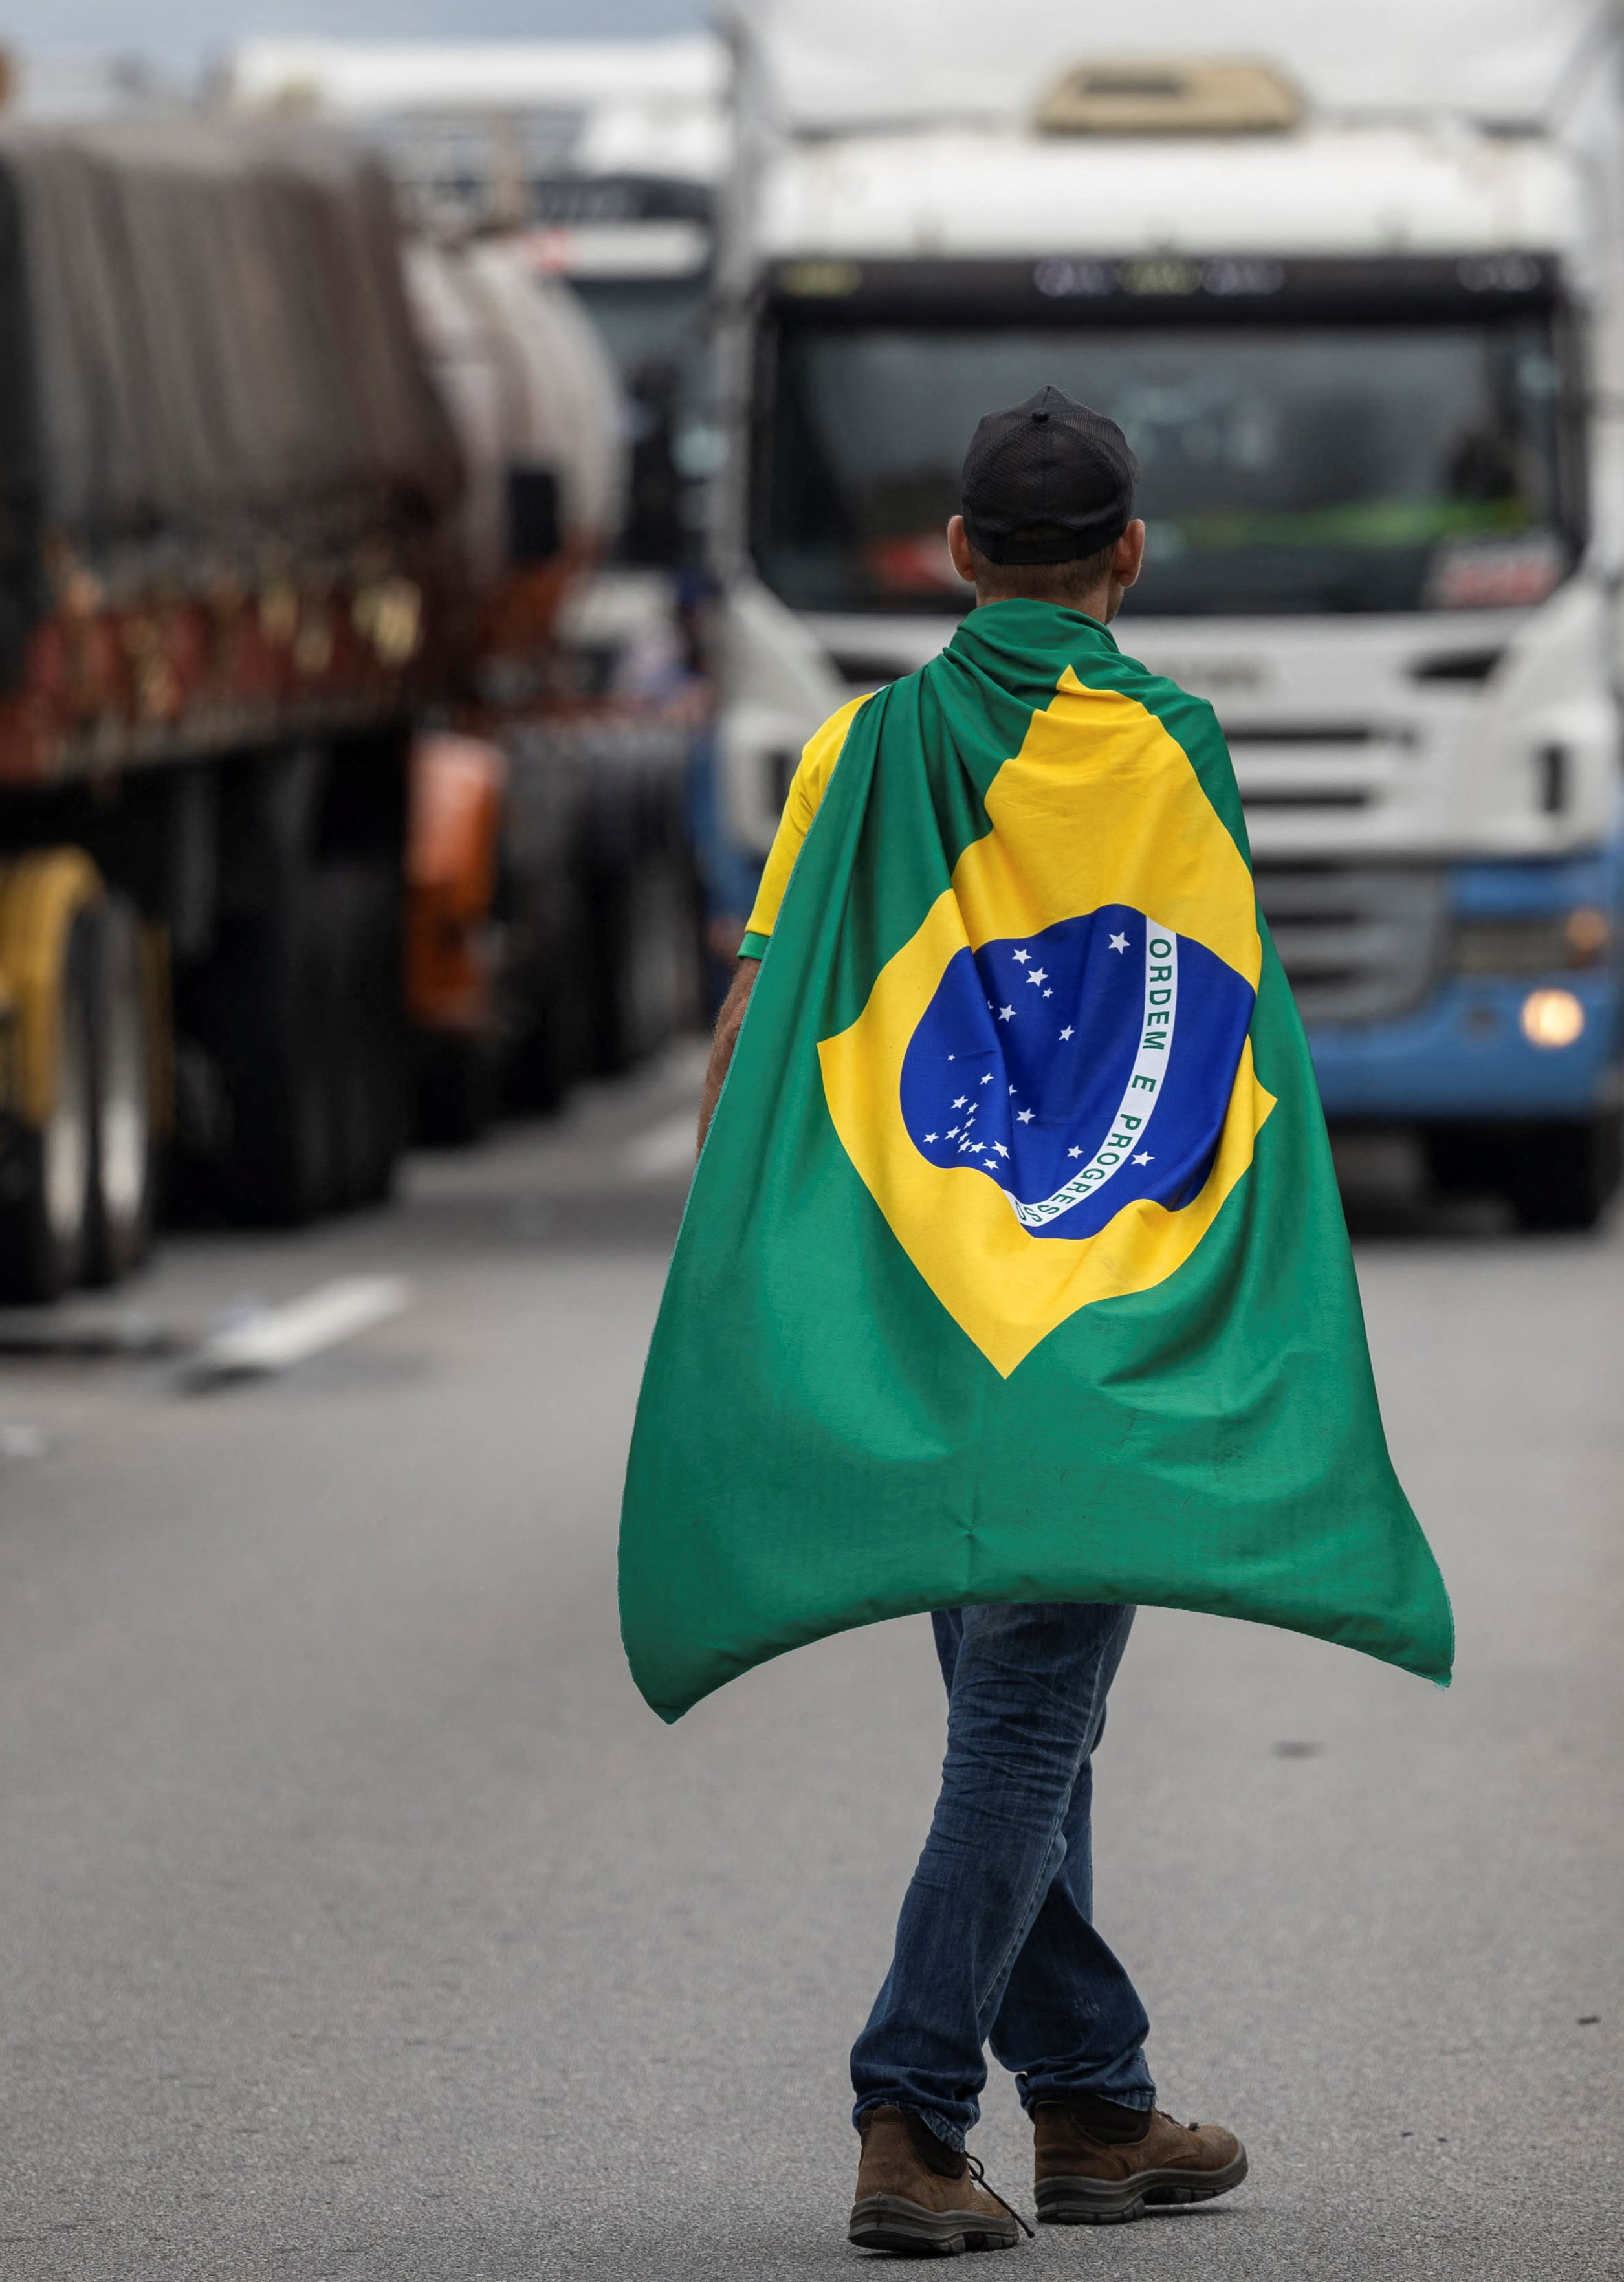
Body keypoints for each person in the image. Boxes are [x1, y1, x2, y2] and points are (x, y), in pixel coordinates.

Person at [688, 391, 1273, 2255]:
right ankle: (907, 2112)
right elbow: (1220, 1043)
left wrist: (734, 1284)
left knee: (1026, 1717)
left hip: (922, 1309)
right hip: (1093, 1303)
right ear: (1128, 557)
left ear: (953, 552)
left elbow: (766, 1026)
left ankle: (1094, 2109)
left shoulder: (858, 750)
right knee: (1028, 1720)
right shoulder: (1175, 748)